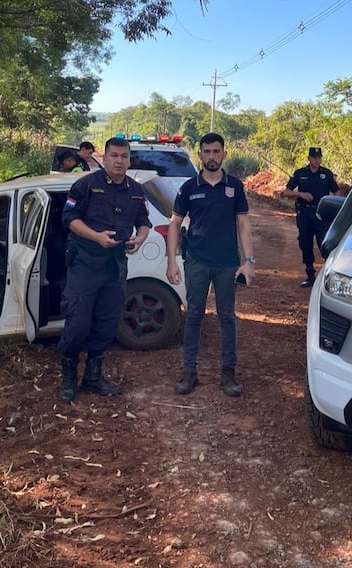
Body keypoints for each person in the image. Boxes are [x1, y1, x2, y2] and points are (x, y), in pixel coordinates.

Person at [57, 137, 152, 403]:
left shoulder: (135, 190)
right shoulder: (85, 184)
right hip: (85, 262)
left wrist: (141, 237)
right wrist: (96, 236)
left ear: (129, 160)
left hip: (115, 265)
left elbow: (144, 222)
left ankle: (93, 377)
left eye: (124, 156)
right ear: (104, 157)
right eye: (114, 156)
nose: (119, 161)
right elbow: (69, 220)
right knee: (77, 322)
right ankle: (68, 378)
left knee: (108, 321)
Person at [166, 133, 254, 397]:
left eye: (217, 151)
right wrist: (172, 261)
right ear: (200, 155)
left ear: (224, 154)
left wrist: (248, 261)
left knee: (227, 317)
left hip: (228, 263)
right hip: (197, 261)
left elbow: (243, 224)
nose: (212, 156)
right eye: (207, 152)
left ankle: (228, 374)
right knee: (193, 316)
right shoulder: (188, 188)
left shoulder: (235, 187)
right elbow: (174, 223)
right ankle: (189, 373)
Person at [282, 147, 339, 288]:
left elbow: (336, 191)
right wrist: (301, 194)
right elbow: (286, 192)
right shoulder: (300, 174)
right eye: (314, 157)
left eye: (319, 157)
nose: (317, 160)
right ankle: (310, 275)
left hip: (322, 214)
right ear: (309, 158)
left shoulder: (326, 174)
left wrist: (334, 205)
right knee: (305, 243)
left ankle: (330, 276)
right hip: (305, 214)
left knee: (325, 244)